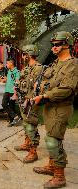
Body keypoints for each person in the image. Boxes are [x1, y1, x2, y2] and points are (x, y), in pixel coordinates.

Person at [32, 31, 78, 189]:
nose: (54, 47)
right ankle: (52, 166)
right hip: (50, 106)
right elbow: (47, 80)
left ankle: (59, 176)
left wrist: (44, 96)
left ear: (67, 44)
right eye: (53, 44)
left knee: (53, 141)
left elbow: (66, 89)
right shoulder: (55, 63)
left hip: (61, 107)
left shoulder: (73, 64)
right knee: (51, 136)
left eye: (57, 44)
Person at [13, 44, 43, 164]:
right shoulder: (26, 68)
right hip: (22, 99)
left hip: (31, 101)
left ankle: (33, 151)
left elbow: (38, 87)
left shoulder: (38, 68)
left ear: (29, 54)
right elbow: (20, 80)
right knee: (26, 123)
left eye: (24, 54)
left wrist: (29, 98)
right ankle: (27, 143)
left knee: (31, 125)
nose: (22, 56)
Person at [2, 58, 21, 127]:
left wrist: (15, 93)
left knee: (11, 106)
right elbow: (8, 79)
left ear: (11, 63)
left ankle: (12, 121)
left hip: (12, 91)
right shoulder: (9, 71)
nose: (6, 65)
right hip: (7, 90)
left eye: (7, 63)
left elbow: (17, 82)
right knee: (4, 103)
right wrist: (3, 79)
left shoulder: (17, 72)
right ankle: (15, 116)